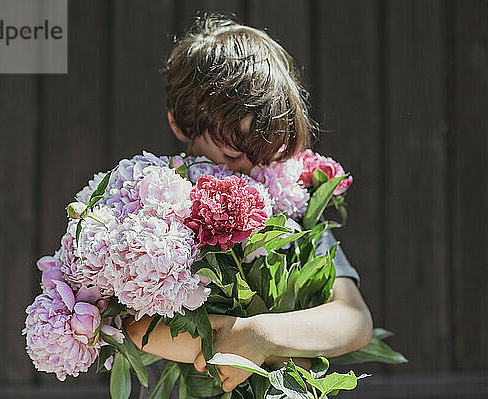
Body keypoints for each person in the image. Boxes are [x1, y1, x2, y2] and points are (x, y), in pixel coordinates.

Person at [125, 12, 373, 395]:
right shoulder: (153, 212)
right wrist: (279, 349)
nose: (248, 170)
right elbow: (137, 328)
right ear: (179, 122)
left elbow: (354, 321)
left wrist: (262, 335)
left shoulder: (291, 211)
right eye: (232, 154)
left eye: (264, 154)